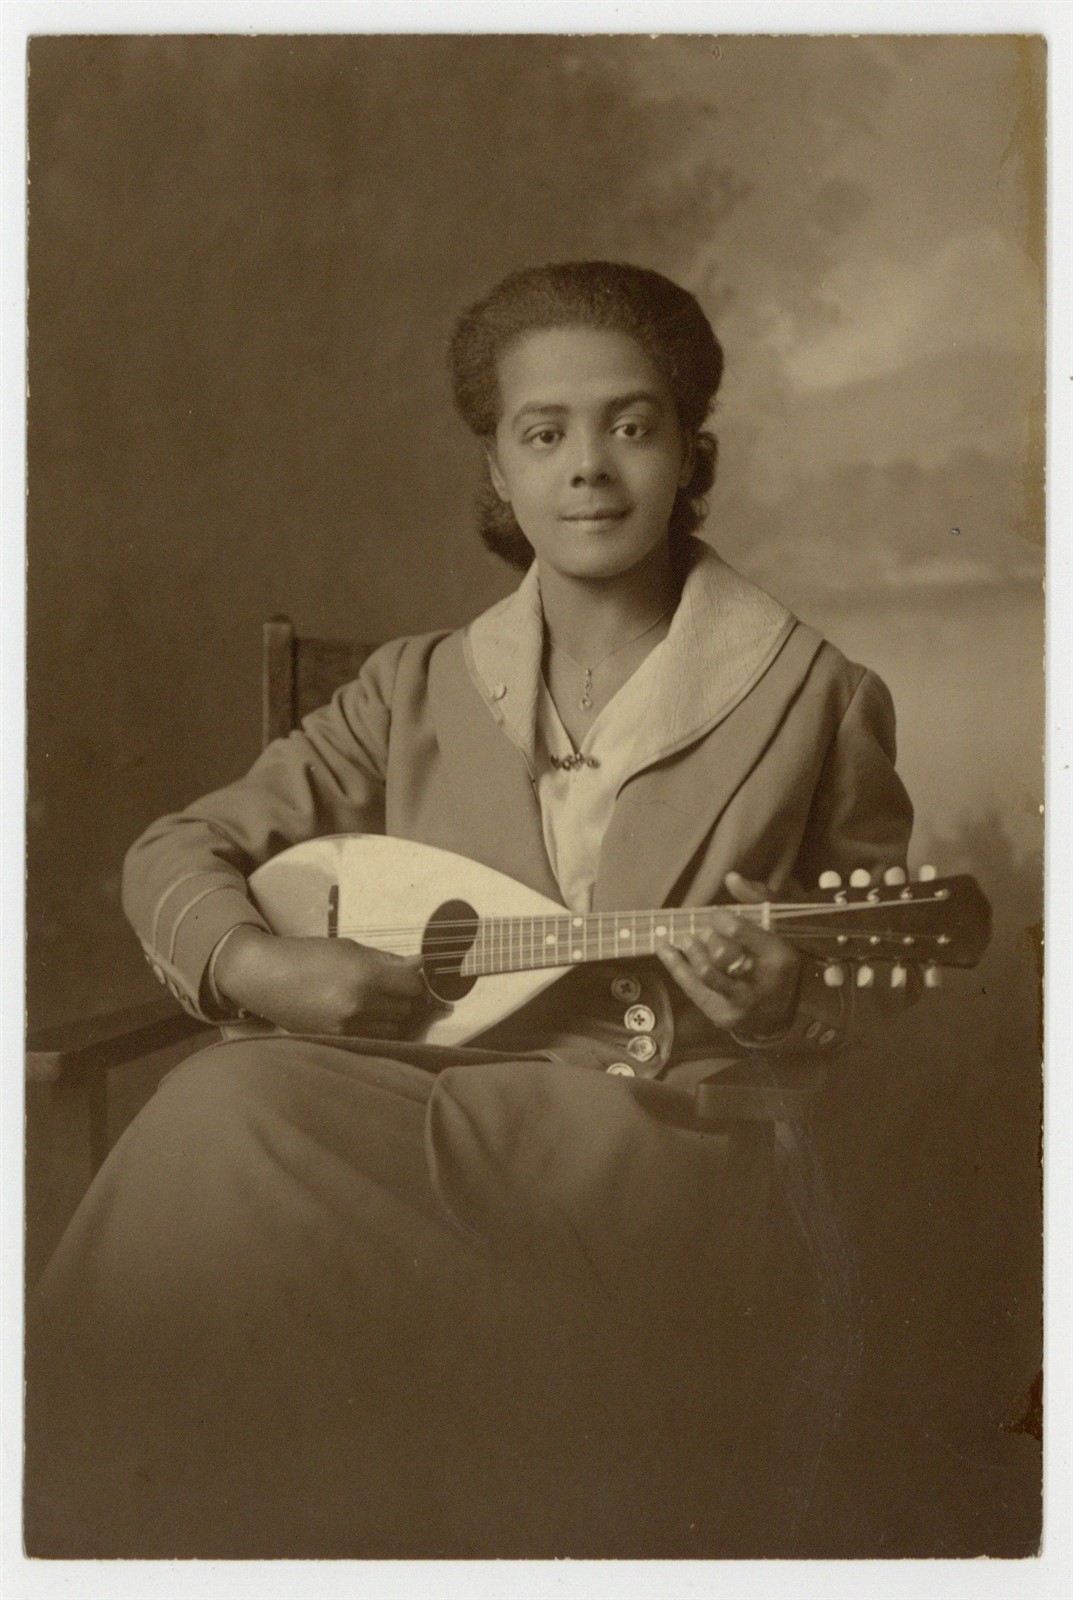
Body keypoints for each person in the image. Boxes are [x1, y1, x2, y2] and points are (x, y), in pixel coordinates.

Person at [25, 261, 914, 1559]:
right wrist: (265, 970)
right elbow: (182, 848)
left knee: (240, 1130)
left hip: (657, 1141)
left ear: (689, 453)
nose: (588, 468)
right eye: (540, 433)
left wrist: (775, 992)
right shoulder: (415, 686)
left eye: (631, 424)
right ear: (495, 473)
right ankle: (106, 1524)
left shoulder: (811, 696)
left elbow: (851, 976)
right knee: (220, 1110)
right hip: (413, 1094)